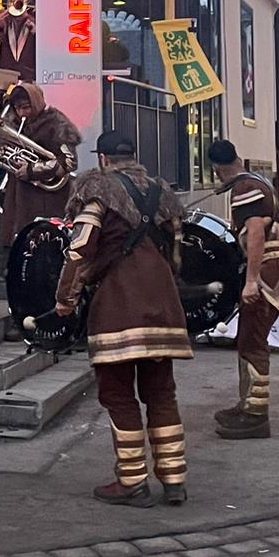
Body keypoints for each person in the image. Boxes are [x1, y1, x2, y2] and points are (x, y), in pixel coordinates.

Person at [52, 132, 193, 505]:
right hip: (162, 305)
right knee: (161, 393)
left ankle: (132, 481)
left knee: (118, 394)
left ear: (103, 159)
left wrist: (65, 299)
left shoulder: (97, 190)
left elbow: (80, 249)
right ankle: (174, 479)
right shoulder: (162, 192)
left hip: (118, 305)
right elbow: (177, 251)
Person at [208, 140, 279, 439]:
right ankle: (247, 404)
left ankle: (256, 416)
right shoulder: (256, 181)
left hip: (267, 273)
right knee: (247, 339)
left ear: (217, 169)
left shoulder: (244, 189)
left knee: (253, 342)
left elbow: (256, 232)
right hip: (272, 269)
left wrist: (251, 280)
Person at [0, 81, 81, 249]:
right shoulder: (13, 125)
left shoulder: (56, 125)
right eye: (17, 108)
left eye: (26, 107)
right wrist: (2, 150)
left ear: (36, 103)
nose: (21, 113)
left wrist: (33, 170)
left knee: (42, 248)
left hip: (46, 200)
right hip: (16, 200)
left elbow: (69, 161)